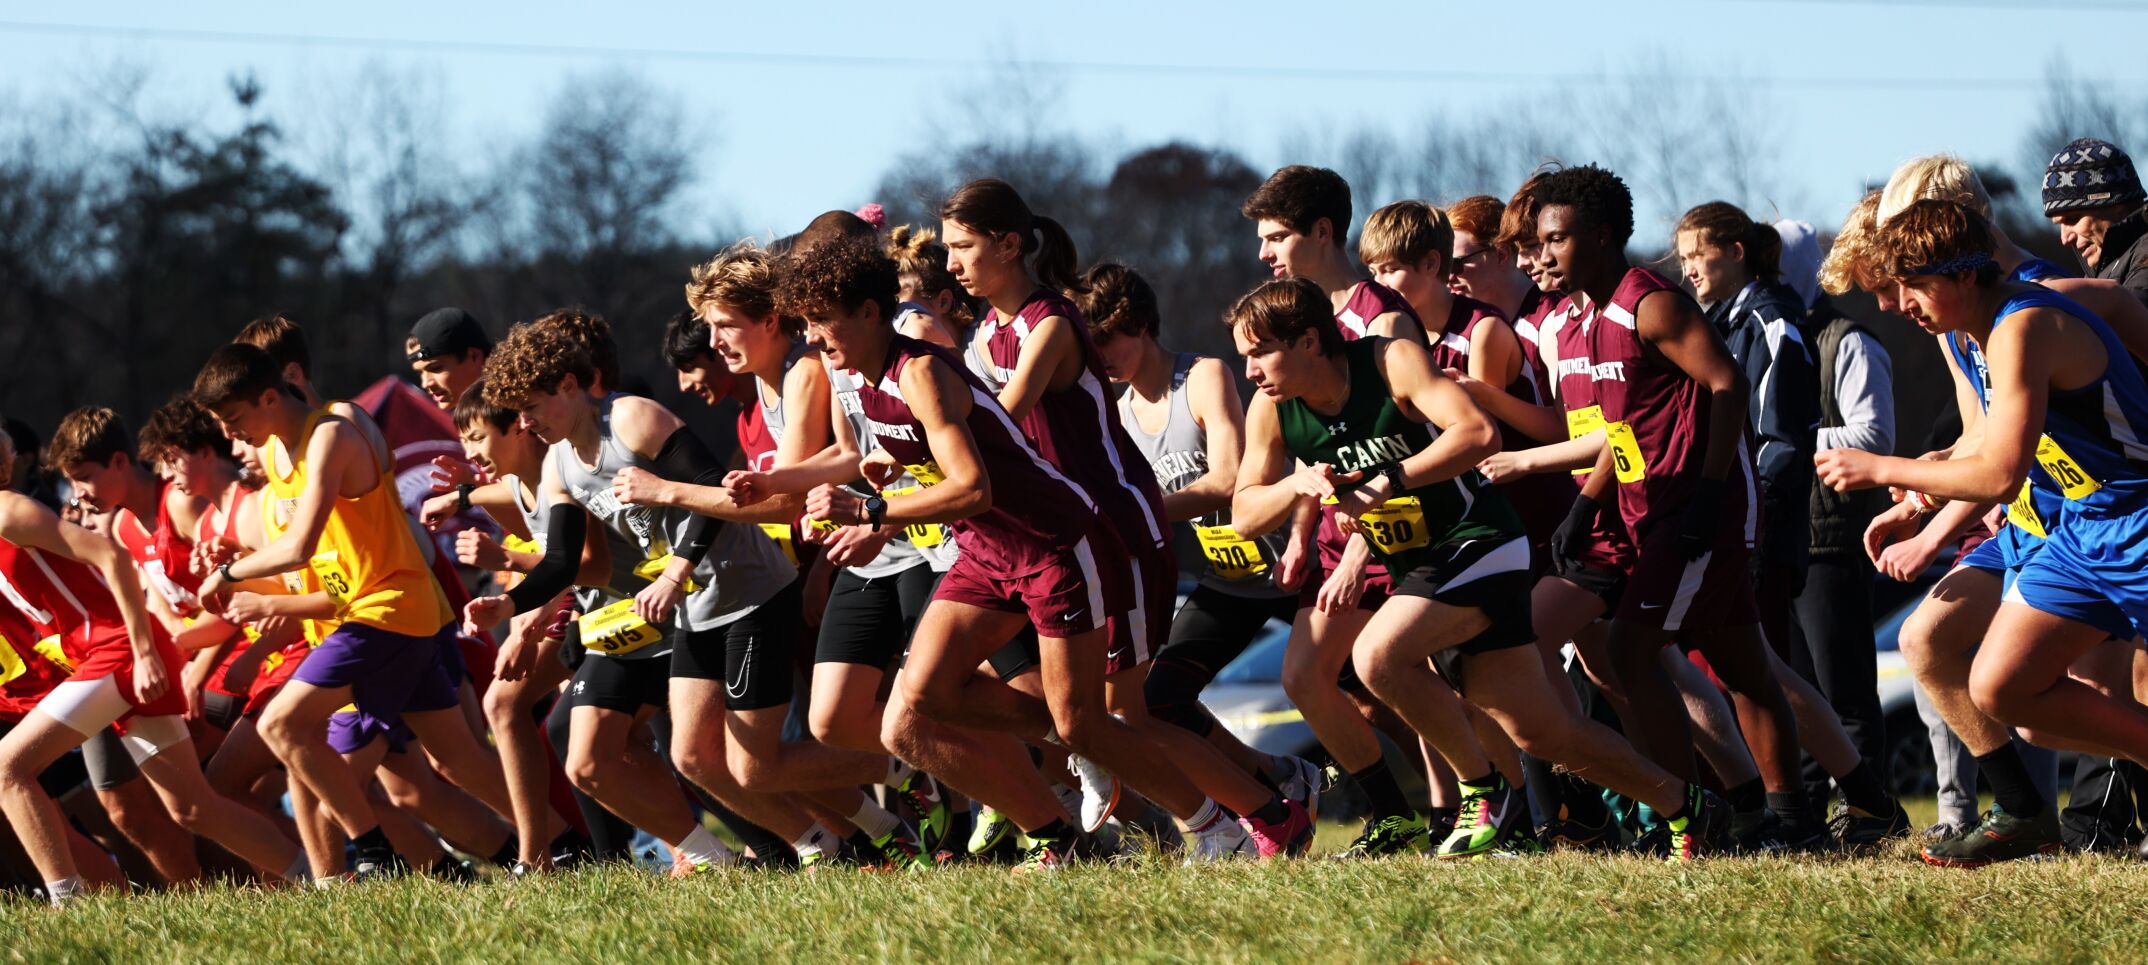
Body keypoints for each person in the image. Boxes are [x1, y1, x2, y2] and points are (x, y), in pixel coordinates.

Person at [1225, 276, 1732, 861]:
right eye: (1245, 357)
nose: (1251, 371)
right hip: (1420, 560)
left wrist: (1392, 478)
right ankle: (1688, 806)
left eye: (1260, 352)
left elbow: (1478, 431)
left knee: (1376, 657)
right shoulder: (1273, 408)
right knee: (1539, 729)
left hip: (1480, 539)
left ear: (1309, 342)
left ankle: (1482, 794)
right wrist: (1294, 482)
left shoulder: (1392, 359)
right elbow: (1243, 513)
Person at [1529, 165, 1906, 850]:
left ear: (1604, 236)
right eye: (1541, 242)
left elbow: (1727, 383)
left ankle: (1689, 817)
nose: (1545, 253)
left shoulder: (1651, 301)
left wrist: (1707, 495)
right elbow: (1624, 433)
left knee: (1629, 652)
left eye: (1557, 239)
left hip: (1698, 508)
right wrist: (1587, 504)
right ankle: (1801, 815)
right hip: (1652, 507)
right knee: (1743, 665)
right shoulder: (1587, 322)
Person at [1817, 197, 2148, 864]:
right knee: (2001, 687)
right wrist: (1920, 498)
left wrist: (1883, 464)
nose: (1902, 303)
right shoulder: (1965, 334)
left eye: (1914, 286)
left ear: (1966, 277)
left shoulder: (2025, 321)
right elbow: (1985, 448)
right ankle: (2031, 813)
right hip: (2083, 529)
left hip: (2138, 519)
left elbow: (1999, 473)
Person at [460, 314, 828, 873]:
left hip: (750, 588)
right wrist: (510, 606)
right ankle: (777, 850)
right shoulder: (562, 461)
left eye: (532, 407)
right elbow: (563, 561)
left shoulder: (630, 418)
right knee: (690, 757)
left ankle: (876, 791)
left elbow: (715, 492)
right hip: (694, 607)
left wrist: (675, 571)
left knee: (754, 762)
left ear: (567, 386)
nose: (527, 423)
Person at [947, 178, 1243, 852]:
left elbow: (1003, 426)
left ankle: (1254, 812)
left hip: (1113, 533)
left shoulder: (1049, 323)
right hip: (1046, 538)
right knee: (1078, 713)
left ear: (1010, 244)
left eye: (963, 246)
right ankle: (1158, 810)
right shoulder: (983, 332)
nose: (953, 263)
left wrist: (927, 470)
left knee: (1120, 716)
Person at [625, 245, 926, 866]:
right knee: (706, 755)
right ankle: (859, 827)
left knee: (772, 754)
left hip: (885, 553)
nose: (715, 342)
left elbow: (785, 497)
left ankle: (902, 788)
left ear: (768, 320)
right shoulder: (766, 390)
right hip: (812, 569)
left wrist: (670, 491)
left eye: (725, 325)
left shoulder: (804, 370)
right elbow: (816, 471)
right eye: (710, 327)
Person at [192, 343, 516, 880]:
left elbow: (320, 559)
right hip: (358, 624)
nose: (231, 438)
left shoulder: (339, 428)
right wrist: (248, 573)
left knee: (297, 742)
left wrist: (239, 583)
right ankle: (542, 849)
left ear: (280, 386)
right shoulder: (278, 463)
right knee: (421, 780)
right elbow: (314, 568)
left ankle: (356, 864)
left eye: (233, 420)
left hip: (390, 618)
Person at [1241, 165, 1464, 857]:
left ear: (1323, 233)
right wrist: (1304, 534)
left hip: (1401, 526)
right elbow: (1318, 451)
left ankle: (1463, 809)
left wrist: (1364, 549)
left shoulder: (1383, 318)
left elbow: (1401, 440)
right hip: (1343, 531)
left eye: (1277, 237)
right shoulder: (1285, 319)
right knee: (1309, 675)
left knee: (1411, 670)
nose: (1264, 252)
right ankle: (1394, 812)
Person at [0, 413, 304, 905]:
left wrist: (144, 650)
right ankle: (317, 877)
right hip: (107, 658)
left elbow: (111, 557)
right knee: (194, 808)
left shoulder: (8, 511)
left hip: (119, 652)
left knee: (7, 769)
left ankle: (69, 904)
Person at [1076, 261, 1317, 857]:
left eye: (1106, 338)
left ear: (1140, 326)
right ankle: (1279, 785)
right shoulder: (1119, 410)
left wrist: (1146, 512)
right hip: (1230, 578)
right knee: (1159, 700)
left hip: (1295, 561)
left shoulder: (1202, 376)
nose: (1099, 355)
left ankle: (1437, 806)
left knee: (1365, 689)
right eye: (1090, 345)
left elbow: (1230, 477)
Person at [1772, 217, 1898, 818]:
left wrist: (1789, 438)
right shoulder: (1767, 333)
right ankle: (1805, 809)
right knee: (1795, 688)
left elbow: (1876, 435)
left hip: (1831, 539)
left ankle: (1866, 812)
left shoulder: (1847, 339)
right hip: (1781, 538)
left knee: (1843, 689)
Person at [2044, 137, 2148, 297]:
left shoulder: (2144, 256)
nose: (2064, 239)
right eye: (2059, 224)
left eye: (2072, 219)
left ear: (2116, 206)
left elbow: (2132, 319)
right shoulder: (2101, 270)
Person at [407, 308, 494, 411]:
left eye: (436, 368)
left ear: (474, 356)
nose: (425, 384)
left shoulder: (514, 417)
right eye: (420, 373)